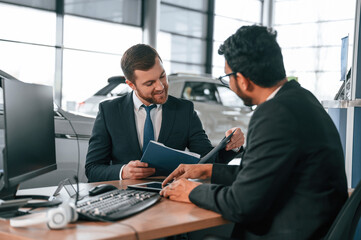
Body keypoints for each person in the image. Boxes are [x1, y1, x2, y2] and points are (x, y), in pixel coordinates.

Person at [160, 25, 348, 240]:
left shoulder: (274, 113)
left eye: (227, 77)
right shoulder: (302, 98)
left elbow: (241, 205)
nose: (229, 84)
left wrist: (189, 191)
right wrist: (207, 171)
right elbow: (260, 175)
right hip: (311, 225)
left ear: (242, 80)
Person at [85, 44, 244, 182]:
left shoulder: (184, 110)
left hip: (170, 195)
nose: (160, 87)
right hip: (123, 196)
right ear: (131, 84)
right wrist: (123, 171)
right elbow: (92, 168)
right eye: (150, 83)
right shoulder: (109, 111)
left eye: (162, 76)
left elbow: (207, 161)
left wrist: (231, 145)